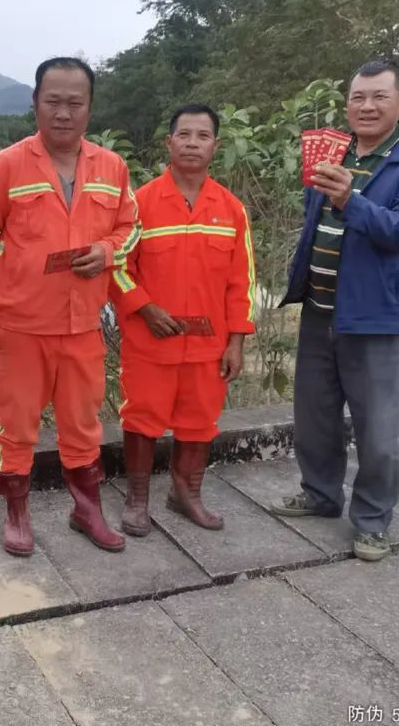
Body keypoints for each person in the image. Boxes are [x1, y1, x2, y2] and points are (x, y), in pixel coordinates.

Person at [272, 58, 399, 561]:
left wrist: (350, 200)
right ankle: (320, 493)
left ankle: (372, 520)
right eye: (358, 97)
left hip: (374, 314)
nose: (366, 106)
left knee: (376, 428)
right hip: (319, 306)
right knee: (315, 414)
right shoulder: (335, 149)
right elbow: (317, 220)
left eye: (379, 97)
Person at [0, 57, 140, 556]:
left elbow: (131, 227)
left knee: (83, 425)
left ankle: (86, 510)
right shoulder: (3, 166)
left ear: (90, 107)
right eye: (53, 101)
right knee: (15, 426)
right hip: (22, 325)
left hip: (83, 324)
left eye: (75, 103)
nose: (63, 113)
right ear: (35, 104)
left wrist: (107, 252)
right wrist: (21, 267)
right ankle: (16, 516)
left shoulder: (111, 167)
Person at [110, 104, 256, 536]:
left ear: (216, 146)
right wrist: (145, 308)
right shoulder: (138, 205)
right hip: (150, 340)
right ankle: (137, 500)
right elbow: (117, 266)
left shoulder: (231, 209)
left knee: (200, 421)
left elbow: (242, 282)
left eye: (203, 136)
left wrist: (236, 342)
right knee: (141, 419)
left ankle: (186, 495)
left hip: (208, 345)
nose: (193, 143)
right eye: (185, 135)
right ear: (168, 142)